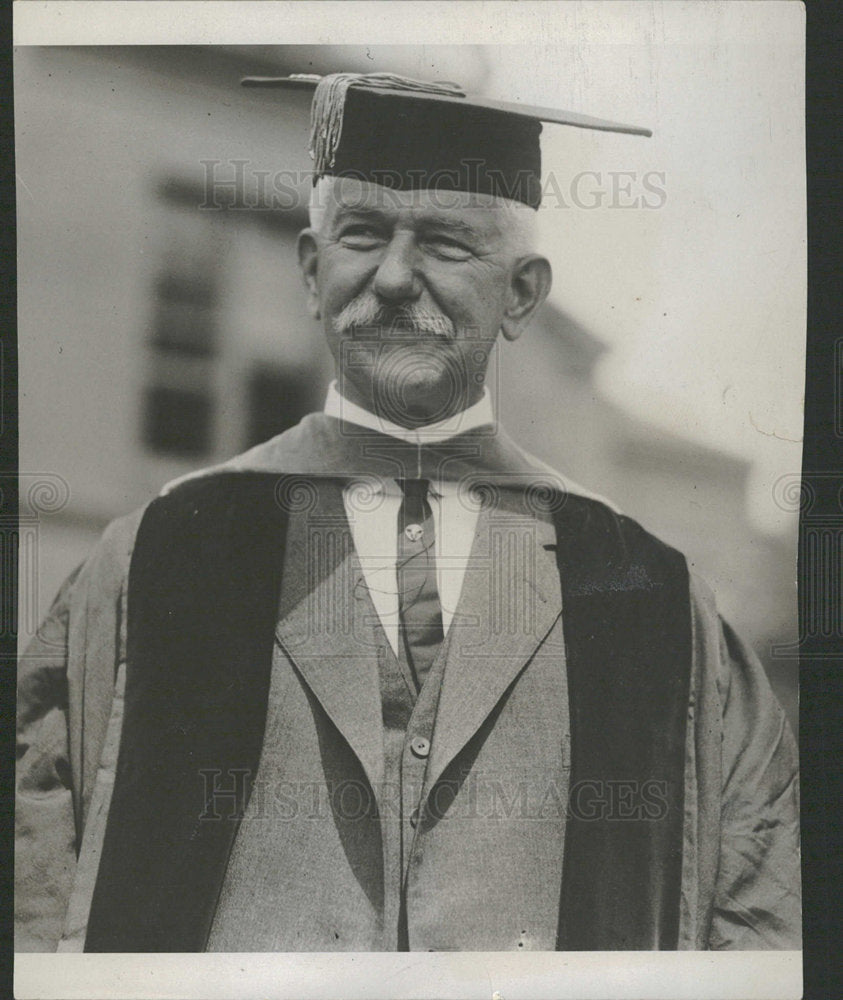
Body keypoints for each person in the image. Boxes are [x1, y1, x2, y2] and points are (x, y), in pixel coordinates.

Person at [15, 72, 800, 953]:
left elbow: (756, 915)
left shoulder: (652, 596)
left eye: (445, 243)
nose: (393, 277)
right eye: (362, 234)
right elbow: (30, 895)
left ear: (521, 295)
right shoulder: (153, 557)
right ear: (313, 272)